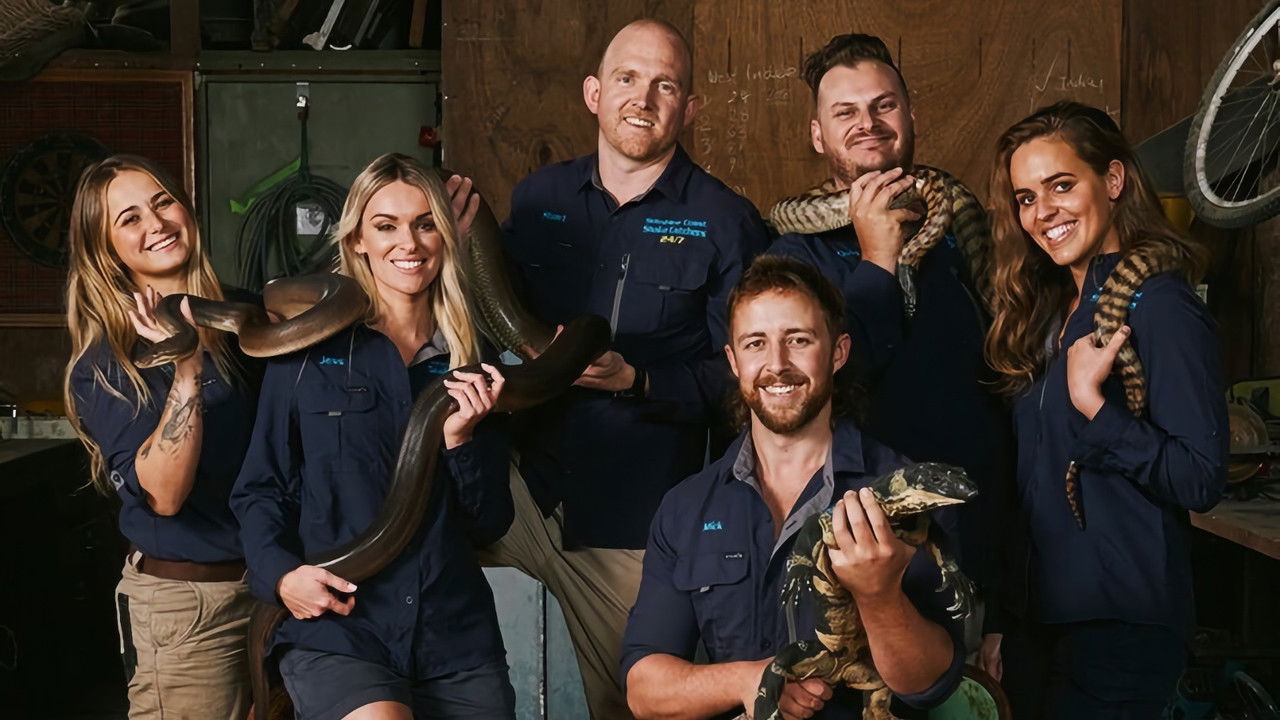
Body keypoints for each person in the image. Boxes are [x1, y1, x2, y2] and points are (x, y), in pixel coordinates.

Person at [479, 18, 769, 718]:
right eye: (627, 79)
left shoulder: (725, 221)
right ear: (594, 93)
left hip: (629, 522)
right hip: (521, 490)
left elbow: (746, 377)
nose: (643, 98)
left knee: (638, 701)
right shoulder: (540, 198)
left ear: (689, 108)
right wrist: (458, 229)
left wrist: (638, 380)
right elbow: (491, 315)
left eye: (665, 85)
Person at [231, 153, 517, 720]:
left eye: (425, 224)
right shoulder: (306, 354)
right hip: (341, 630)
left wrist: (461, 442)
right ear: (358, 240)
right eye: (386, 226)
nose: (408, 243)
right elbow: (260, 488)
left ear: (447, 236)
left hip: (454, 637)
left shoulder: (473, 361)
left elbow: (488, 525)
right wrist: (282, 577)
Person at [622, 255, 964, 719]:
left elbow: (929, 684)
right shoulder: (687, 507)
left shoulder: (908, 492)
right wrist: (749, 679)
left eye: (798, 340)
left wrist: (879, 596)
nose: (777, 365)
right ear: (733, 361)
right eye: (755, 344)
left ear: (838, 352)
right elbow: (645, 689)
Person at [766, 32, 1013, 651]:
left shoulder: (962, 234)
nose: (868, 124)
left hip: (975, 538)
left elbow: (1008, 376)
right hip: (856, 548)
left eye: (883, 105)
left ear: (910, 115)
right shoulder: (791, 258)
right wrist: (877, 259)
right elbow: (823, 390)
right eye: (845, 112)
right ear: (818, 135)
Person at [984, 101, 1226, 718]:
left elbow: (1200, 478)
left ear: (1113, 180)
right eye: (1027, 197)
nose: (1043, 212)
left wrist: (1094, 406)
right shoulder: (1046, 314)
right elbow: (1032, 483)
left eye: (1062, 185)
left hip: (1123, 627)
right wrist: (1004, 618)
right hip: (1040, 625)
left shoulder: (1161, 307)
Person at [65, 154, 257, 719]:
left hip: (286, 590)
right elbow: (164, 496)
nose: (156, 223)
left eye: (163, 202)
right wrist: (186, 366)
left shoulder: (250, 316)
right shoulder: (106, 364)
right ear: (107, 252)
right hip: (189, 610)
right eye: (129, 219)